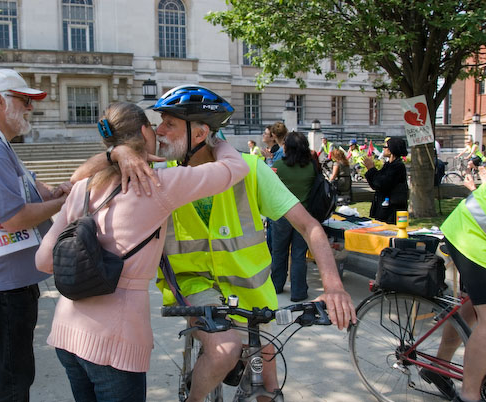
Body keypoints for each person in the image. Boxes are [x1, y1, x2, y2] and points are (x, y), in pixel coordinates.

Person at [72, 85, 357, 402]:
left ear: (198, 134)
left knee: (269, 383)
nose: (159, 130)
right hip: (192, 287)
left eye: (169, 123)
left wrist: (333, 287)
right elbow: (78, 181)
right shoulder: (157, 173)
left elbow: (310, 227)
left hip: (253, 293)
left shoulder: (250, 170)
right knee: (224, 351)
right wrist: (117, 153)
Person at [35, 101, 249, 402]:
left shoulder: (83, 187)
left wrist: (113, 155)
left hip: (67, 334)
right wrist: (213, 136)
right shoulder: (157, 185)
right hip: (115, 344)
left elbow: (43, 261)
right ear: (145, 131)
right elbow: (235, 168)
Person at [0, 69, 71, 402]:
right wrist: (64, 203)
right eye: (23, 101)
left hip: (5, 283)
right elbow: (14, 218)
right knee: (11, 377)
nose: (29, 109)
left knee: (13, 369)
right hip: (1, 286)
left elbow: (23, 191)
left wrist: (52, 193)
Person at [436, 166, 486, 402]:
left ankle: (439, 366)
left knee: (474, 306)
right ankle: (469, 396)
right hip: (471, 233)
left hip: (473, 228)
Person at [270, 131, 316, 300]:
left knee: (279, 251)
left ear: (287, 147)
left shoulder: (279, 165)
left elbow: (269, 187)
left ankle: (276, 285)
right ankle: (298, 291)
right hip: (303, 215)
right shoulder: (311, 166)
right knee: (298, 255)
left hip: (281, 214)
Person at [362, 137, 409, 224]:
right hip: (383, 207)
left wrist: (371, 169)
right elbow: (375, 185)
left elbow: (381, 183)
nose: (383, 149)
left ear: (391, 149)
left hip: (392, 210)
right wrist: (370, 170)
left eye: (385, 146)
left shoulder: (398, 166)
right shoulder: (388, 165)